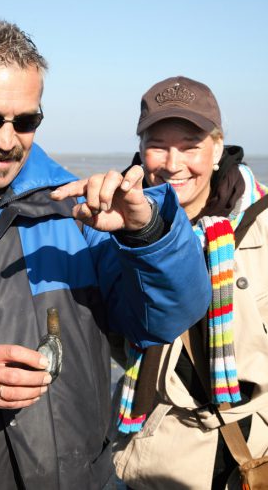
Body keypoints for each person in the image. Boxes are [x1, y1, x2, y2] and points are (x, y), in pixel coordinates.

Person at [0, 23, 210, 490]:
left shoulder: (76, 209)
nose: (6, 141)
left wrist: (147, 234)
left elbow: (166, 319)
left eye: (25, 121)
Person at [113, 76, 268, 489]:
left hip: (252, 445)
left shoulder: (260, 221)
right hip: (155, 453)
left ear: (217, 149)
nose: (173, 162)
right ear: (141, 151)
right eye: (158, 145)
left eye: (190, 145)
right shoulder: (117, 224)